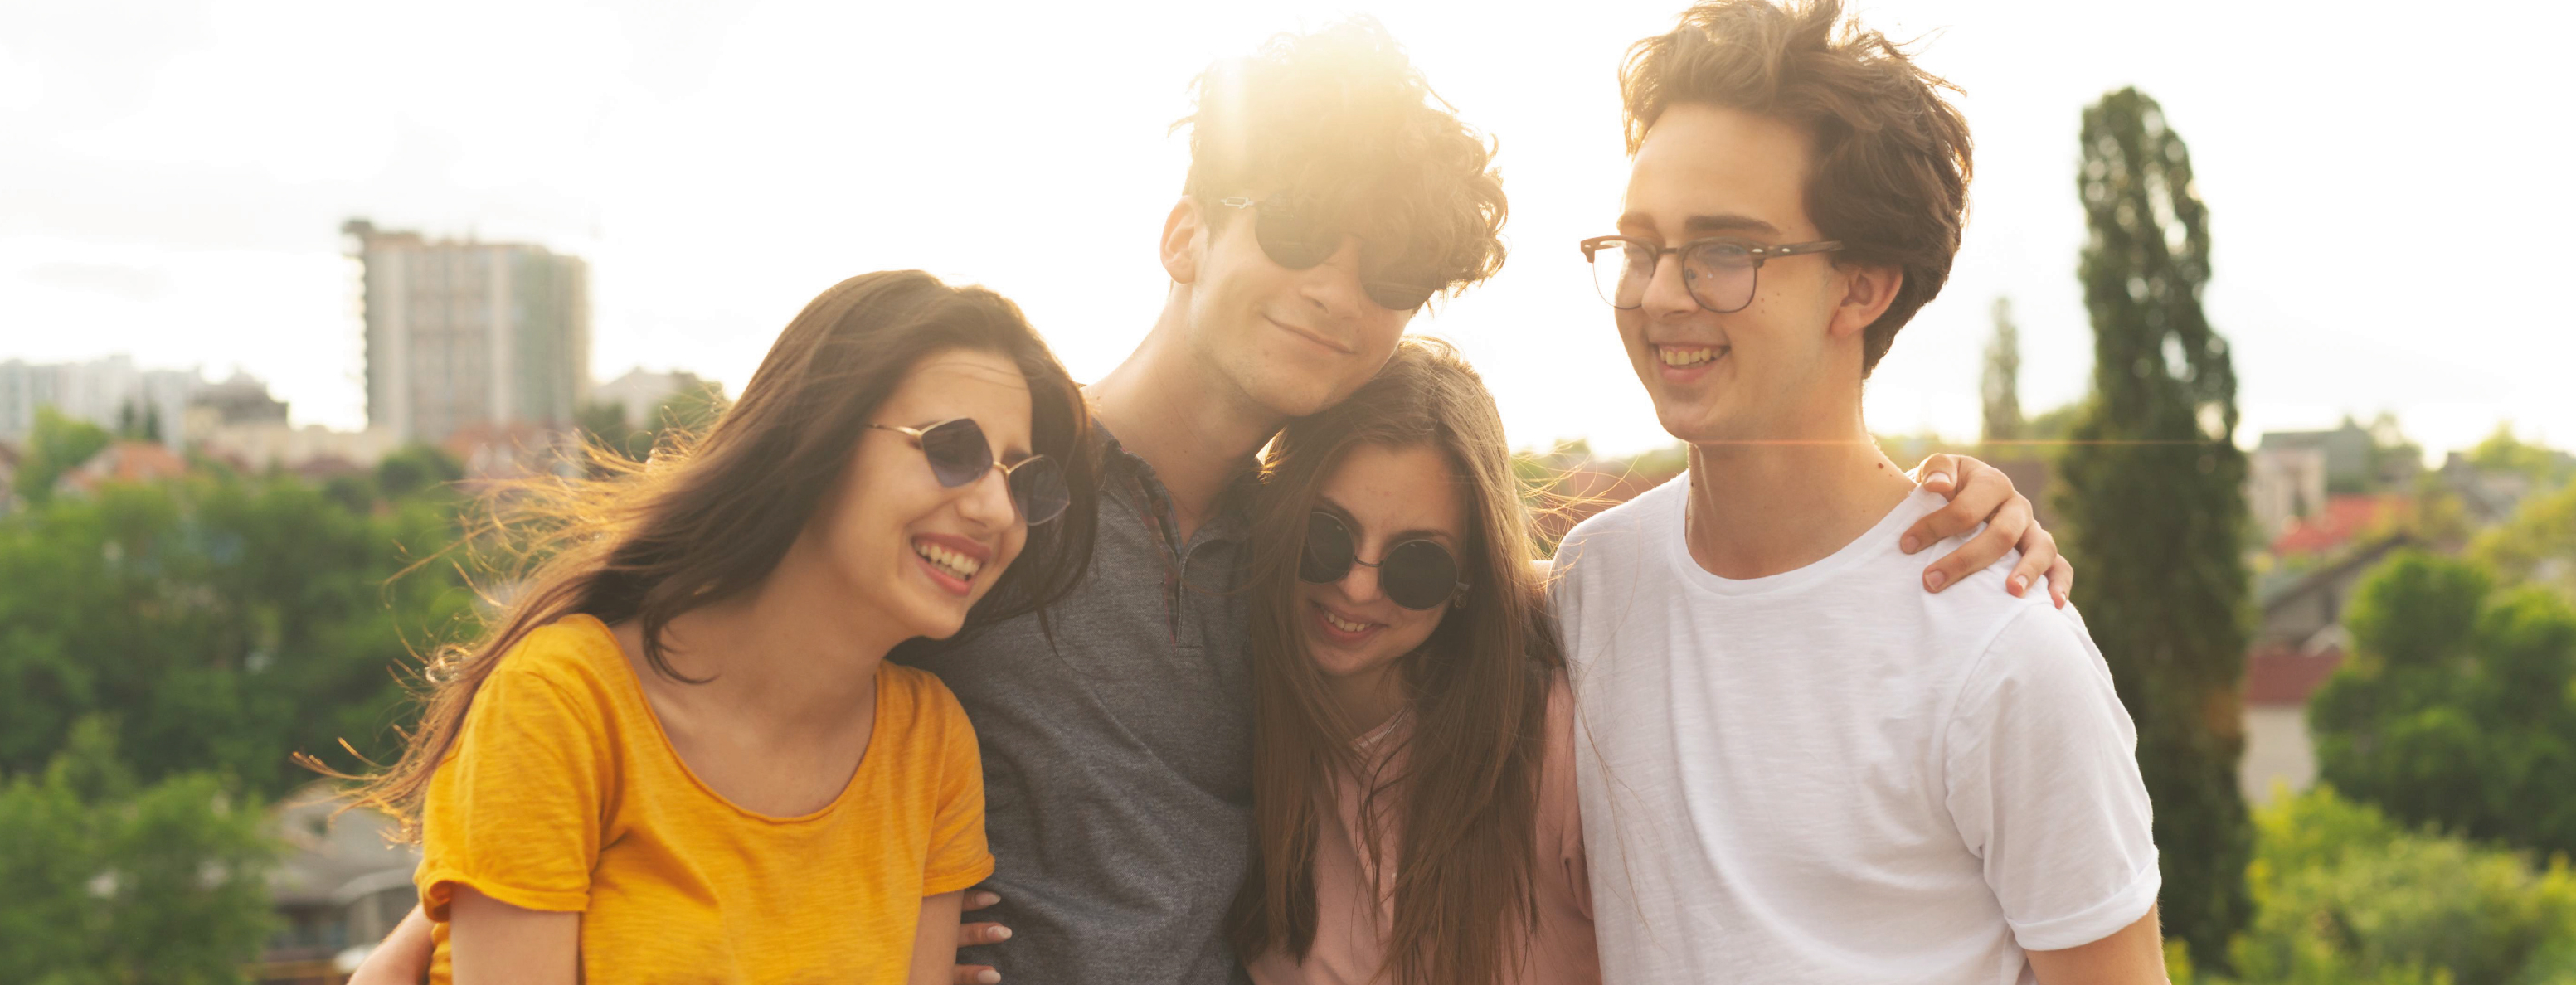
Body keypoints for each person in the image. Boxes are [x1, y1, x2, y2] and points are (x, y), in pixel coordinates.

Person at [351, 19, 2068, 985]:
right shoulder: (977, 493)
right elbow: (689, 676)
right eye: (1299, 230)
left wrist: (1954, 505)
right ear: (1185, 234)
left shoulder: (1321, 568)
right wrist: (410, 951)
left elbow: (1574, 621)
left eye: (1385, 273)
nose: (1333, 289)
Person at [1553, 2, 2167, 983]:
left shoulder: (2002, 649)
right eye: (1640, 247)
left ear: (1862, 286)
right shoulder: (1590, 582)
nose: (1661, 294)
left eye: (1724, 251)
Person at [332, 270, 1098, 985]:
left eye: (1022, 478)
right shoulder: (561, 704)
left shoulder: (929, 745)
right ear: (818, 438)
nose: (995, 509)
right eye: (953, 450)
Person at [1236, 338, 1593, 985]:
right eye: (1326, 534)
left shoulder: (1558, 746)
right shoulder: (1228, 734)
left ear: (1467, 577)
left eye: (1417, 563)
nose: (1357, 587)